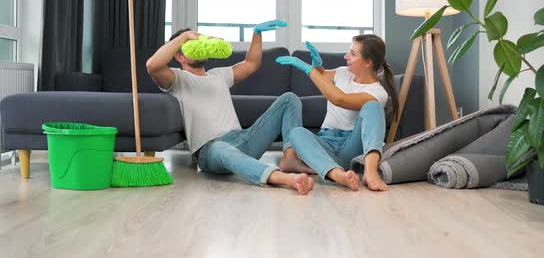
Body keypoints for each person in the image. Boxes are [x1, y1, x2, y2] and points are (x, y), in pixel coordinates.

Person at [146, 20, 314, 195]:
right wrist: (185, 36)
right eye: (192, 44)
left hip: (244, 140)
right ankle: (283, 179)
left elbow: (251, 64)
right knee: (221, 148)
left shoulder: (219, 74)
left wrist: (256, 34)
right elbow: (153, 66)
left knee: (290, 99)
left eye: (199, 42)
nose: (200, 45)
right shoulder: (178, 80)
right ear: (180, 56)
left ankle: (290, 157)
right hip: (210, 150)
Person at [275, 35, 398, 191]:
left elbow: (339, 99)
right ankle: (336, 173)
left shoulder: (378, 93)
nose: (346, 56)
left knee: (372, 107)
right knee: (296, 133)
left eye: (353, 54)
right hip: (325, 143)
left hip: (351, 147)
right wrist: (317, 66)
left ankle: (370, 172)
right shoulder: (342, 72)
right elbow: (323, 76)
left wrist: (308, 70)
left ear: (368, 62)